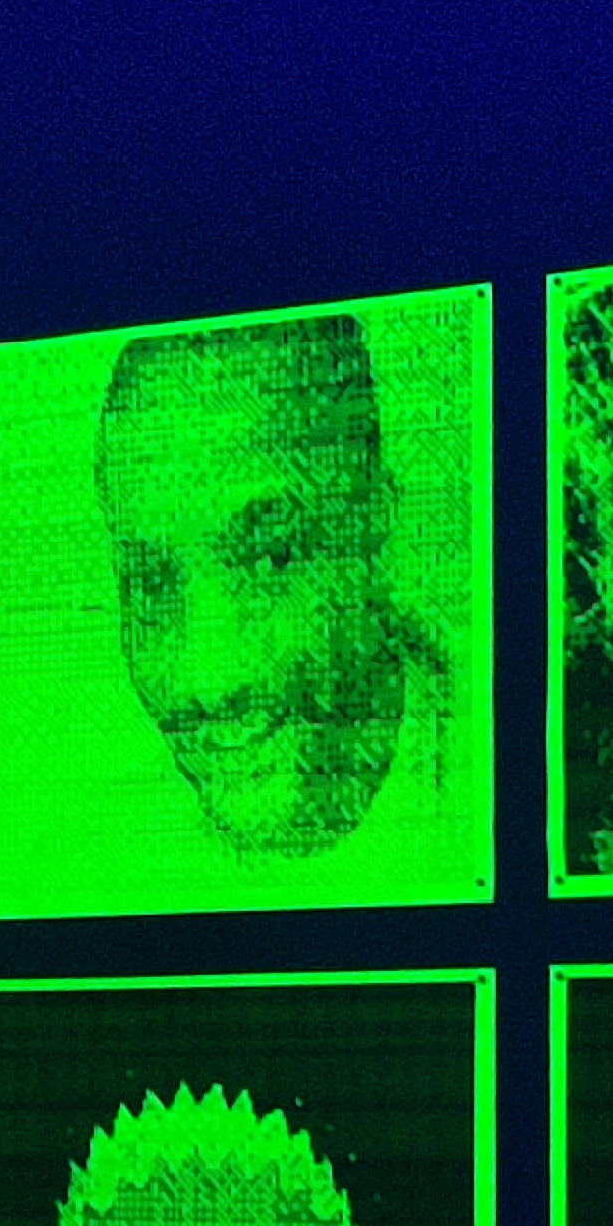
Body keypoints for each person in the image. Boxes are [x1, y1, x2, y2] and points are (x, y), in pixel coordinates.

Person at [93, 311, 444, 859]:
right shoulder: (104, 845)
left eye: (271, 559)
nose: (207, 681)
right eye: (151, 585)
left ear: (374, 527)